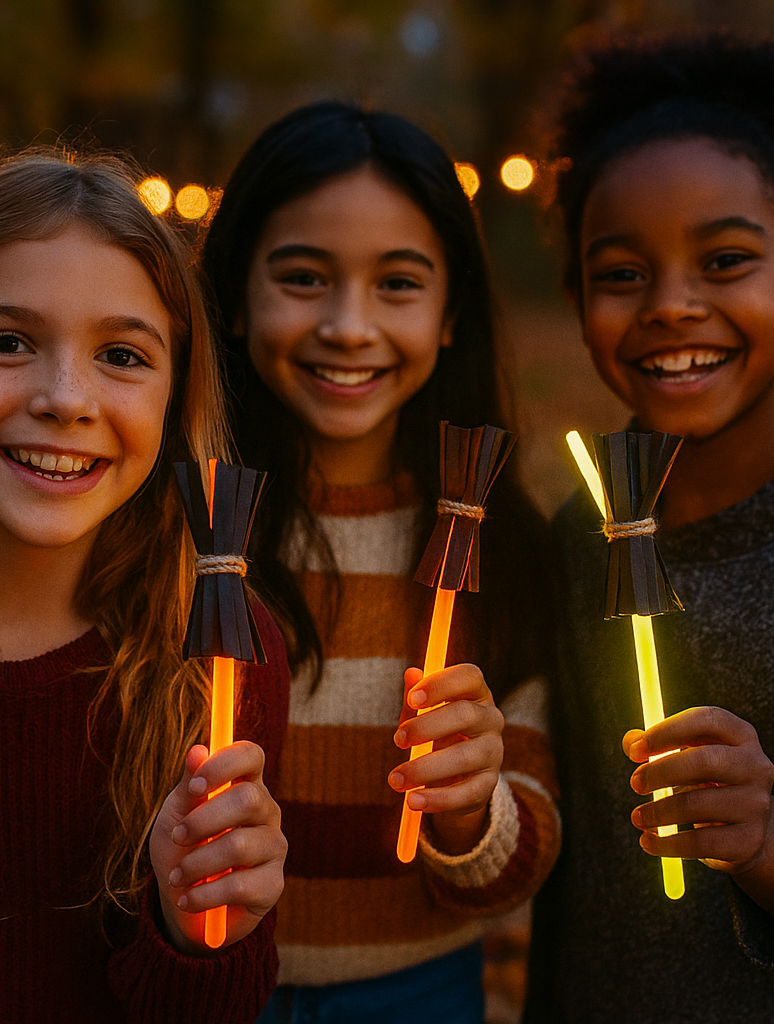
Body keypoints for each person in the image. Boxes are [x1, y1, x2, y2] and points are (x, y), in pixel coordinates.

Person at [0, 151, 289, 1023]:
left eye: (122, 354)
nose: (66, 397)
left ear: (173, 399)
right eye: (7, 341)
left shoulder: (220, 654)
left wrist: (195, 927)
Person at [526, 32, 774, 1023]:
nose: (672, 305)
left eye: (723, 260)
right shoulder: (572, 535)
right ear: (578, 303)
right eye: (622, 273)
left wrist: (767, 837)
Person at [200, 101, 561, 1022]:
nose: (349, 326)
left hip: (418, 991)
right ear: (235, 299)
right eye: (304, 277)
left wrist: (471, 808)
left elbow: (522, 853)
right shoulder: (188, 533)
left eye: (397, 284)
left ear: (450, 315)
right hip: (198, 983)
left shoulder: (499, 549)